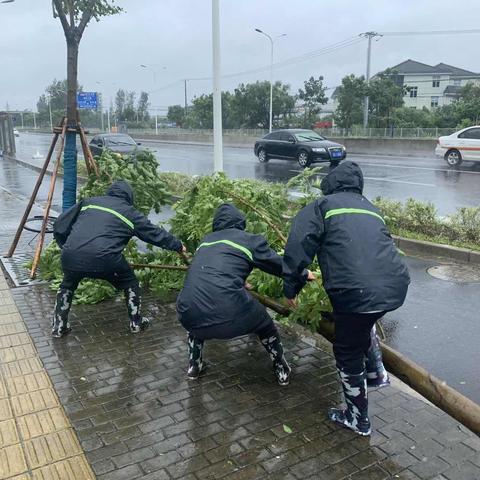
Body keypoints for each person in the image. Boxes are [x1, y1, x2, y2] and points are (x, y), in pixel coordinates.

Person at [282, 161, 410, 436]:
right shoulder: (370, 209)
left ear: (330, 184)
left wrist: (290, 289)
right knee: (364, 322)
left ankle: (358, 419)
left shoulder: (322, 206)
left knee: (347, 350)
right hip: (395, 287)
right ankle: (377, 374)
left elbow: (297, 249)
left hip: (354, 292)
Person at [177, 203, 311, 385]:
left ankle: (194, 365)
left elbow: (215, 270)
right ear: (240, 222)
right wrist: (303, 273)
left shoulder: (205, 242)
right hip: (230, 314)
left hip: (187, 312)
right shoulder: (248, 240)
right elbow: (278, 264)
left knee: (196, 317)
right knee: (265, 324)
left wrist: (238, 281)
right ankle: (281, 367)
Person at [52, 180, 184, 337]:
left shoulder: (88, 203)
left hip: (71, 256)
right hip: (105, 260)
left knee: (68, 284)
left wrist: (67, 247)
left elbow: (60, 224)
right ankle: (136, 322)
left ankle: (59, 327)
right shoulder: (129, 212)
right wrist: (177, 245)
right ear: (129, 197)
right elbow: (154, 233)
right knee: (130, 282)